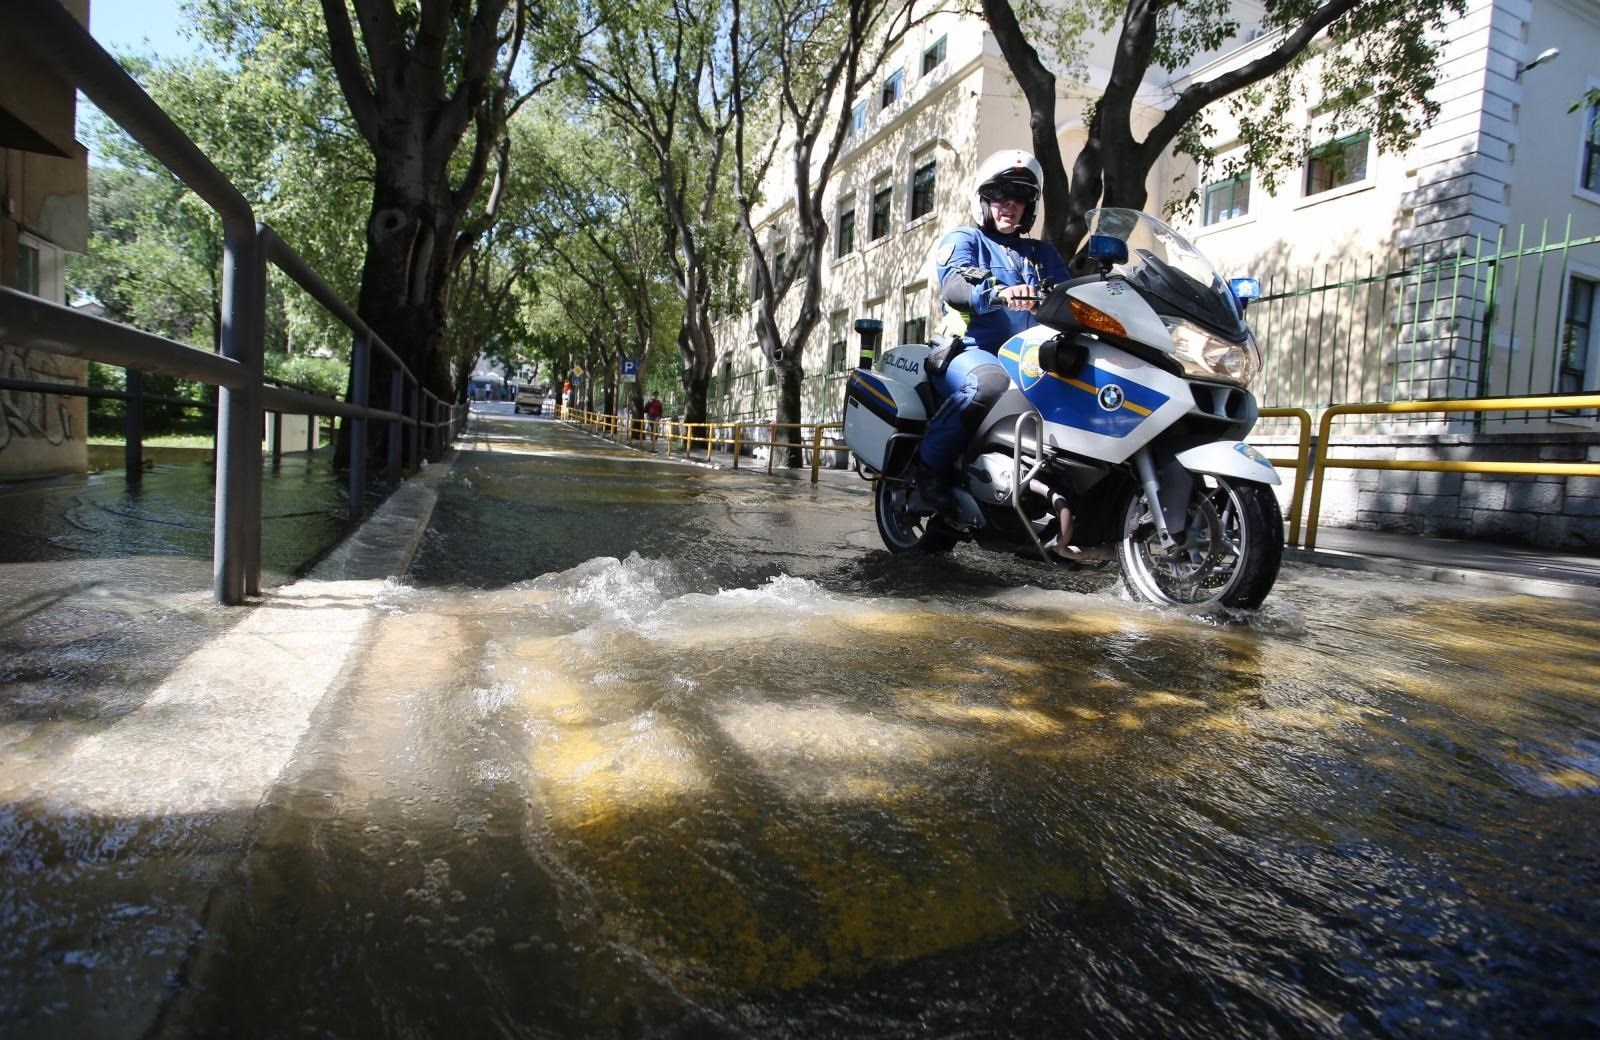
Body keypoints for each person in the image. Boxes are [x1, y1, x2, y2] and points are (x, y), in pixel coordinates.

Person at [915, 149, 1069, 507]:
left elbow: (1070, 293)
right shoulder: (965, 239)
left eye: (1019, 198)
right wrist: (999, 294)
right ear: (983, 200)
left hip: (1028, 357)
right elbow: (955, 285)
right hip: (969, 350)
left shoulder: (1042, 254)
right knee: (989, 383)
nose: (1009, 205)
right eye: (1000, 195)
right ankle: (928, 468)